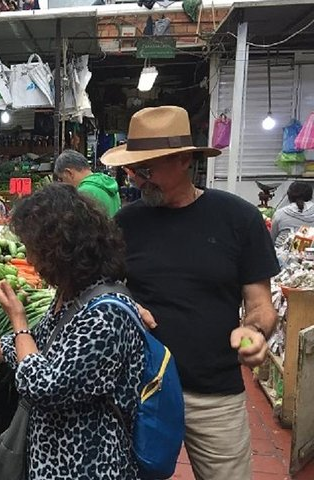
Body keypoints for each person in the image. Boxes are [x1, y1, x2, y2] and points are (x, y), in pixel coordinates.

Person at [102, 106, 280, 480]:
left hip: (213, 393)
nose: (137, 180)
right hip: (140, 389)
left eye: (147, 170)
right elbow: (104, 289)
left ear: (184, 160)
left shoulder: (238, 219)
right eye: (134, 170)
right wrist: (127, 302)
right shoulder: (125, 223)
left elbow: (261, 305)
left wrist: (255, 332)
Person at [0, 183, 145, 479]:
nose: (31, 260)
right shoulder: (73, 293)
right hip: (53, 457)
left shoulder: (105, 314)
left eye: (34, 250)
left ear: (59, 251)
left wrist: (18, 319)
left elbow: (42, 386)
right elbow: (32, 349)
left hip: (85, 464)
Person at [54, 149, 122, 216]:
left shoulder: (83, 193)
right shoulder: (107, 183)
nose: (63, 183)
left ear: (69, 173)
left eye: (62, 179)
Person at [270, 181, 314, 247]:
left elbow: (272, 239)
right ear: (311, 195)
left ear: (289, 195)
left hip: (283, 255)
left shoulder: (280, 214)